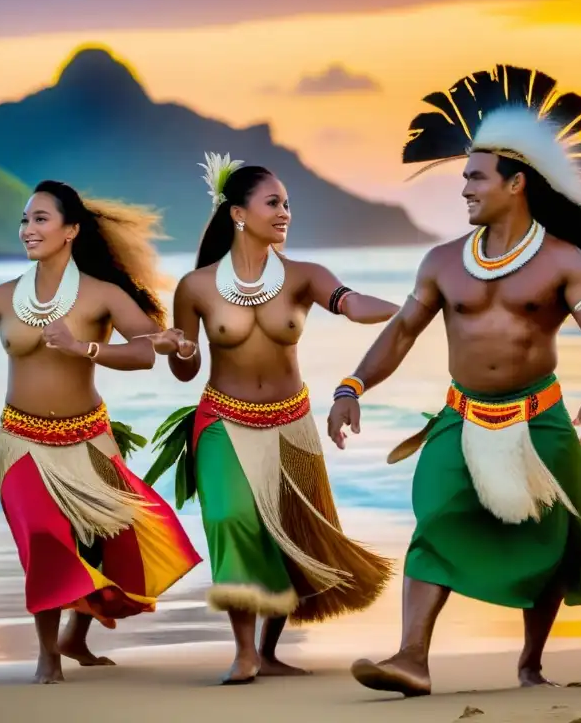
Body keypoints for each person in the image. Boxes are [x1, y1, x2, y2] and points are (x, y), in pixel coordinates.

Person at [327, 64, 581, 697]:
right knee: (435, 520)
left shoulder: (563, 261)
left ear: (515, 184)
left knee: (552, 539)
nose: (463, 189)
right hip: (461, 417)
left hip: (538, 418)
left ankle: (531, 663)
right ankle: (412, 657)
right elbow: (402, 332)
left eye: (475, 177)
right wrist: (350, 387)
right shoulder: (443, 261)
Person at [0, 181, 202, 683]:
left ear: (71, 230)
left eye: (41, 219)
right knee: (48, 539)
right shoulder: (1, 299)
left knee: (101, 542)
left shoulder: (102, 295)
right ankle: (48, 651)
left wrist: (82, 349)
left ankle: (76, 635)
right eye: (25, 220)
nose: (28, 229)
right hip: (20, 441)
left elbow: (143, 352)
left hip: (88, 438)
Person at [144, 152, 398, 685]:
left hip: (291, 421)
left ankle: (270, 648)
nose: (285, 212)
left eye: (288, 204)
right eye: (274, 203)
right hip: (222, 420)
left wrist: (412, 306)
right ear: (239, 213)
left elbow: (351, 305)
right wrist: (177, 347)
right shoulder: (196, 287)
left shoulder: (304, 276)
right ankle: (243, 652)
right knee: (231, 519)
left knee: (292, 534)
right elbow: (186, 369)